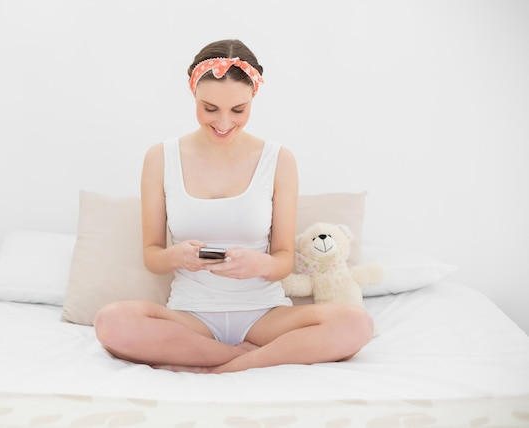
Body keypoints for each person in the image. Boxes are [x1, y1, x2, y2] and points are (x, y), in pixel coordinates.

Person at [93, 39, 373, 373]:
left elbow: (284, 259)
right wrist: (177, 256)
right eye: (209, 109)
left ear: (254, 96)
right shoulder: (160, 158)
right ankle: (242, 360)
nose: (224, 123)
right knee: (111, 322)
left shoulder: (279, 160)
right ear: (193, 93)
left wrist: (259, 264)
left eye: (238, 110)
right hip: (190, 316)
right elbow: (152, 254)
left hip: (264, 315)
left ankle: (223, 362)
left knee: (356, 323)